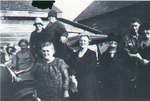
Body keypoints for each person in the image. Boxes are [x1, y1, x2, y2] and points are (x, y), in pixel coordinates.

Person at [70, 35, 98, 101]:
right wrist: (73, 76)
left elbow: (90, 68)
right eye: (81, 41)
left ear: (88, 42)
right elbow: (71, 66)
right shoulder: (74, 54)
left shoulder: (92, 54)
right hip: (76, 81)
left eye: (84, 41)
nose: (82, 42)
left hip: (87, 82)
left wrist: (75, 72)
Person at [130, 23, 150, 100]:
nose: (146, 35)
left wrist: (148, 62)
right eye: (144, 33)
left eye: (148, 32)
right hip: (142, 75)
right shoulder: (141, 45)